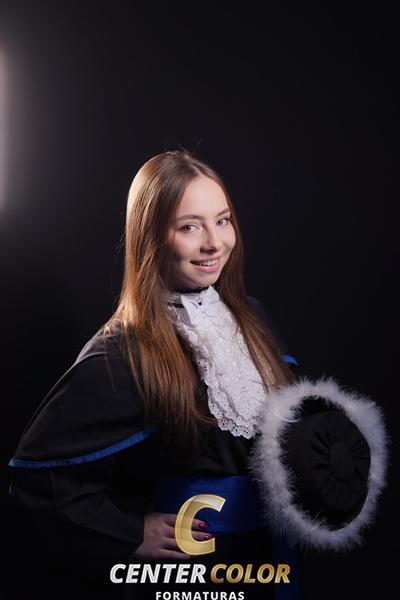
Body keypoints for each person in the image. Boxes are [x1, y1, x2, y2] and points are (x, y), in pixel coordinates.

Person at [8, 150, 387, 600]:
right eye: (189, 227)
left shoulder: (251, 317)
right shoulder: (124, 351)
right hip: (193, 573)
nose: (215, 243)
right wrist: (130, 532)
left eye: (222, 220)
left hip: (271, 561)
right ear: (150, 237)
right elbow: (39, 479)